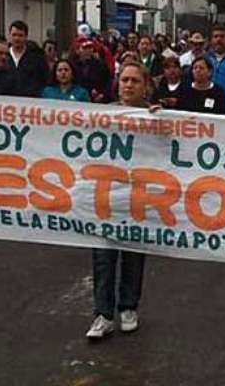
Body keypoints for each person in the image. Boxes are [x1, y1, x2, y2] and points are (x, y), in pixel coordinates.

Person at [86, 61, 148, 340]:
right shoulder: (103, 115)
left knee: (133, 253)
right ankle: (103, 314)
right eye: (124, 80)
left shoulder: (155, 117)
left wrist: (162, 121)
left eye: (135, 81)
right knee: (103, 256)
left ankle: (128, 307)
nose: (129, 85)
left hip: (138, 196)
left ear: (145, 86)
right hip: (105, 195)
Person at [7, 20, 49, 98]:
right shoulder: (4, 55)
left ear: (26, 37)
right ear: (9, 35)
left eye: (20, 35)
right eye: (14, 35)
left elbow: (44, 79)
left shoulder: (37, 57)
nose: (17, 38)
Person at [71, 37, 111, 103]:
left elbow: (108, 83)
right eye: (85, 48)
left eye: (90, 48)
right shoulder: (72, 66)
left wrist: (102, 94)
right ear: (77, 51)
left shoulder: (100, 65)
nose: (88, 50)